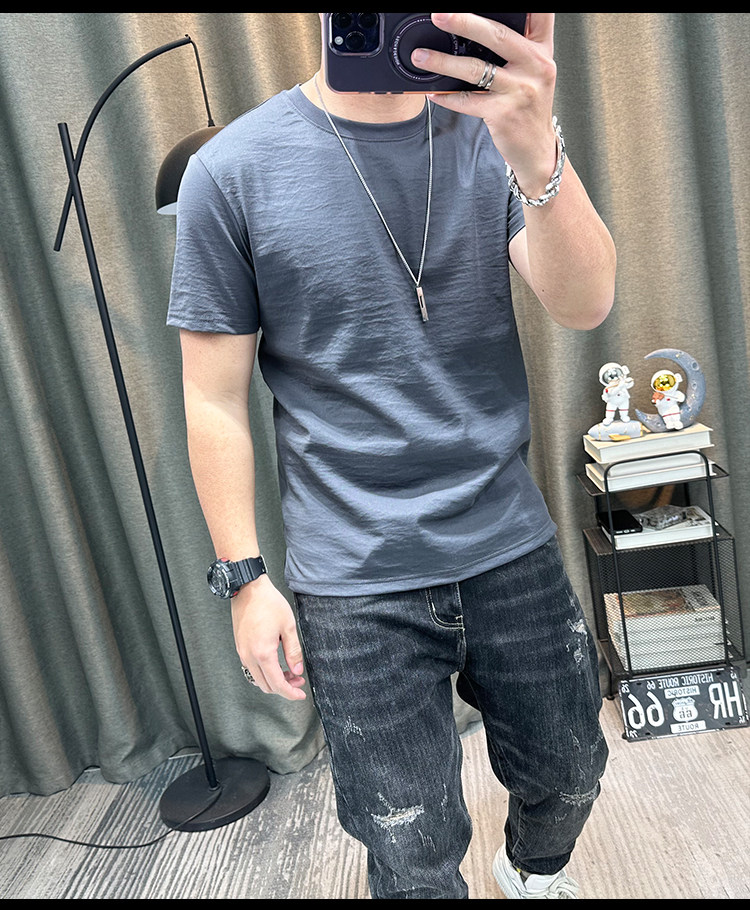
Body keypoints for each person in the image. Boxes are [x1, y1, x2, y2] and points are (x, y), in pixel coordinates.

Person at [167, 13, 616, 900]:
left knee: (571, 771)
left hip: (506, 537)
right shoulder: (231, 171)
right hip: (353, 575)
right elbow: (211, 398)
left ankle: (531, 871)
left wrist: (536, 149)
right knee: (407, 842)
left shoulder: (492, 135)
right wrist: (246, 581)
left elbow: (584, 304)